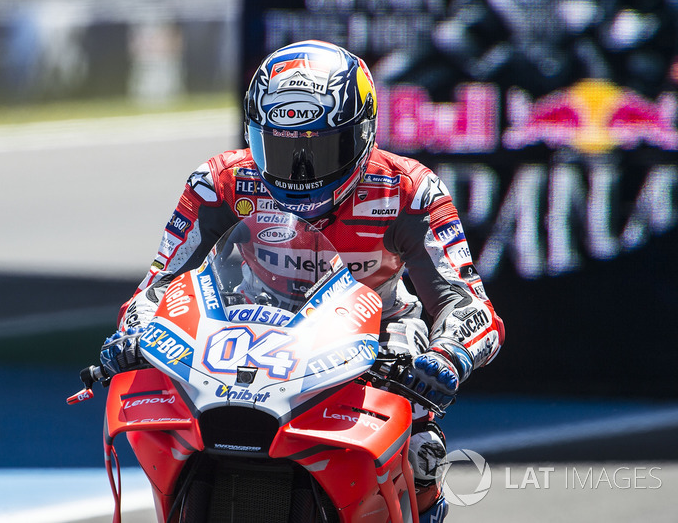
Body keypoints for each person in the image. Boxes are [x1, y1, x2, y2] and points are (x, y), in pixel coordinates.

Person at [101, 39, 505, 522]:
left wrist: (448, 357)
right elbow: (158, 285)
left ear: (362, 134)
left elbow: (468, 303)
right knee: (170, 426)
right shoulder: (219, 181)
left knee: (422, 453)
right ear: (254, 136)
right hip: (242, 334)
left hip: (376, 342)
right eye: (280, 148)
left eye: (319, 150)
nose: (299, 172)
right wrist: (131, 333)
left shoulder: (411, 189)